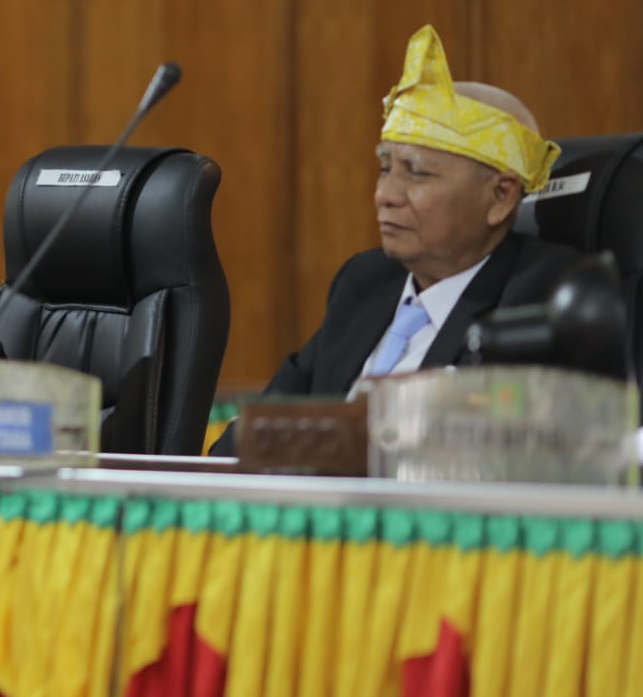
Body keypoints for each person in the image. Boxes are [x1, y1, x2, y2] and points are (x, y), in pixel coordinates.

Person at [211, 25, 580, 456]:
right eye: (386, 168)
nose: (385, 195)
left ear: (500, 197)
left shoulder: (545, 297)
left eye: (417, 173)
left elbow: (490, 453)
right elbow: (246, 439)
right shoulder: (365, 282)